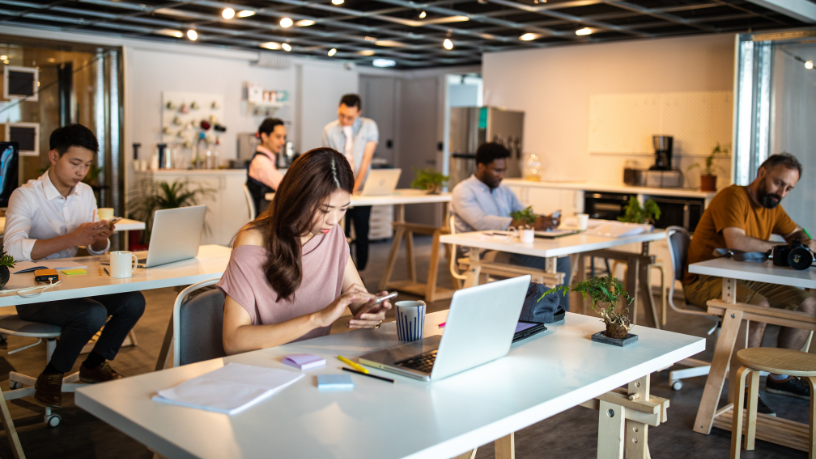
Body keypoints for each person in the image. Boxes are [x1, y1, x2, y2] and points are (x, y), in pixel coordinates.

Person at [3, 124, 145, 408]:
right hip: (35, 291)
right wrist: (73, 238)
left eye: (87, 165)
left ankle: (94, 364)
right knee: (92, 313)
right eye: (75, 163)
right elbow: (12, 250)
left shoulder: (86, 193)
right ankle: (52, 375)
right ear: (54, 156)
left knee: (133, 301)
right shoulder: (26, 195)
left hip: (76, 283)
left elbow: (95, 249)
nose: (81, 172)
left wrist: (100, 237)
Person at [220, 148, 391, 354]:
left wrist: (372, 312)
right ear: (298, 198)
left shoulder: (333, 235)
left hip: (314, 361)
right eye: (325, 209)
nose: (334, 220)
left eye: (343, 209)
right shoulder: (252, 240)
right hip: (261, 364)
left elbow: (359, 303)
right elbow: (233, 342)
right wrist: (317, 319)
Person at [683, 153, 815, 407]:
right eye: (779, 183)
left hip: (745, 276)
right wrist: (783, 247)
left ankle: (780, 378)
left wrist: (805, 241)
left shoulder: (772, 205)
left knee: (808, 304)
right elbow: (736, 241)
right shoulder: (733, 196)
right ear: (762, 173)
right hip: (704, 279)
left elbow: (797, 231)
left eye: (789, 188)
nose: (782, 192)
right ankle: (743, 389)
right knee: (757, 307)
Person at [450, 142, 571, 310]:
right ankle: (559, 314)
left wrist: (544, 220)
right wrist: (524, 223)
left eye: (504, 170)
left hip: (511, 247)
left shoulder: (504, 191)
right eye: (497, 170)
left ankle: (553, 313)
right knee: (560, 263)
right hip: (482, 253)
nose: (501, 175)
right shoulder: (463, 190)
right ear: (481, 166)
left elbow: (524, 213)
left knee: (559, 258)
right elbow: (481, 222)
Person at [321, 94, 378, 272]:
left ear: (359, 113)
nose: (345, 120)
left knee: (361, 230)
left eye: (350, 117)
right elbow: (329, 161)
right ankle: (345, 273)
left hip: (361, 189)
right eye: (342, 115)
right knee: (340, 233)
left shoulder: (369, 126)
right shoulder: (329, 130)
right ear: (338, 108)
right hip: (338, 189)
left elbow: (366, 161)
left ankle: (360, 273)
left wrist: (353, 188)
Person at [246, 118, 286, 217]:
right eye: (278, 137)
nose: (283, 142)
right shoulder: (262, 163)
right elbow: (285, 186)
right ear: (264, 137)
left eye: (284, 137)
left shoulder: (264, 160)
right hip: (265, 219)